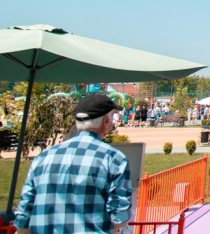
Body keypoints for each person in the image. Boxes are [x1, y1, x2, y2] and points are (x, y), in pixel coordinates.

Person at [14, 95, 132, 234]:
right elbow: (118, 217)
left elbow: (24, 215)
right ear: (106, 120)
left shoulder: (42, 158)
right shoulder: (114, 159)